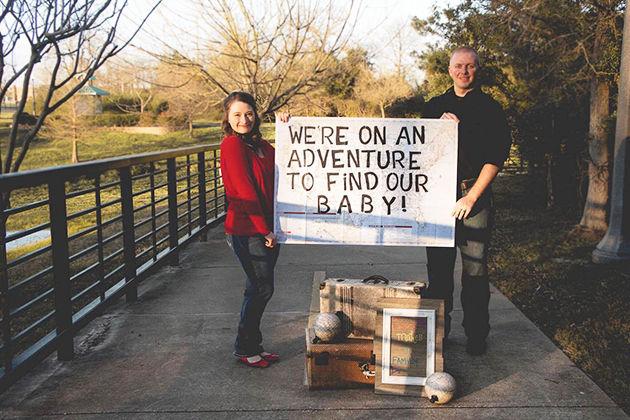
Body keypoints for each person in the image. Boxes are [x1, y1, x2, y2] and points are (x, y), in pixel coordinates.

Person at [422, 47, 512, 355]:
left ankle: (476, 335)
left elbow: (495, 156)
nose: (464, 71)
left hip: (474, 196)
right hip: (438, 198)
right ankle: (440, 333)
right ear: (449, 70)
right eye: (459, 66)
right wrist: (440, 132)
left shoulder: (490, 109)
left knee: (475, 272)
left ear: (478, 70)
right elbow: (418, 153)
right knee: (438, 272)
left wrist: (471, 196)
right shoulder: (434, 106)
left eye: (470, 66)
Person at [220, 91, 280, 368]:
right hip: (247, 230)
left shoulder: (261, 146)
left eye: (248, 114)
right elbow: (243, 192)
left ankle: (252, 344)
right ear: (227, 118)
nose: (244, 119)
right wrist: (263, 230)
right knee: (261, 288)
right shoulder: (232, 146)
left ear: (256, 115)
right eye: (237, 115)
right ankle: (244, 347)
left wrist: (288, 125)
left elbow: (289, 162)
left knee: (255, 288)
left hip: (267, 228)